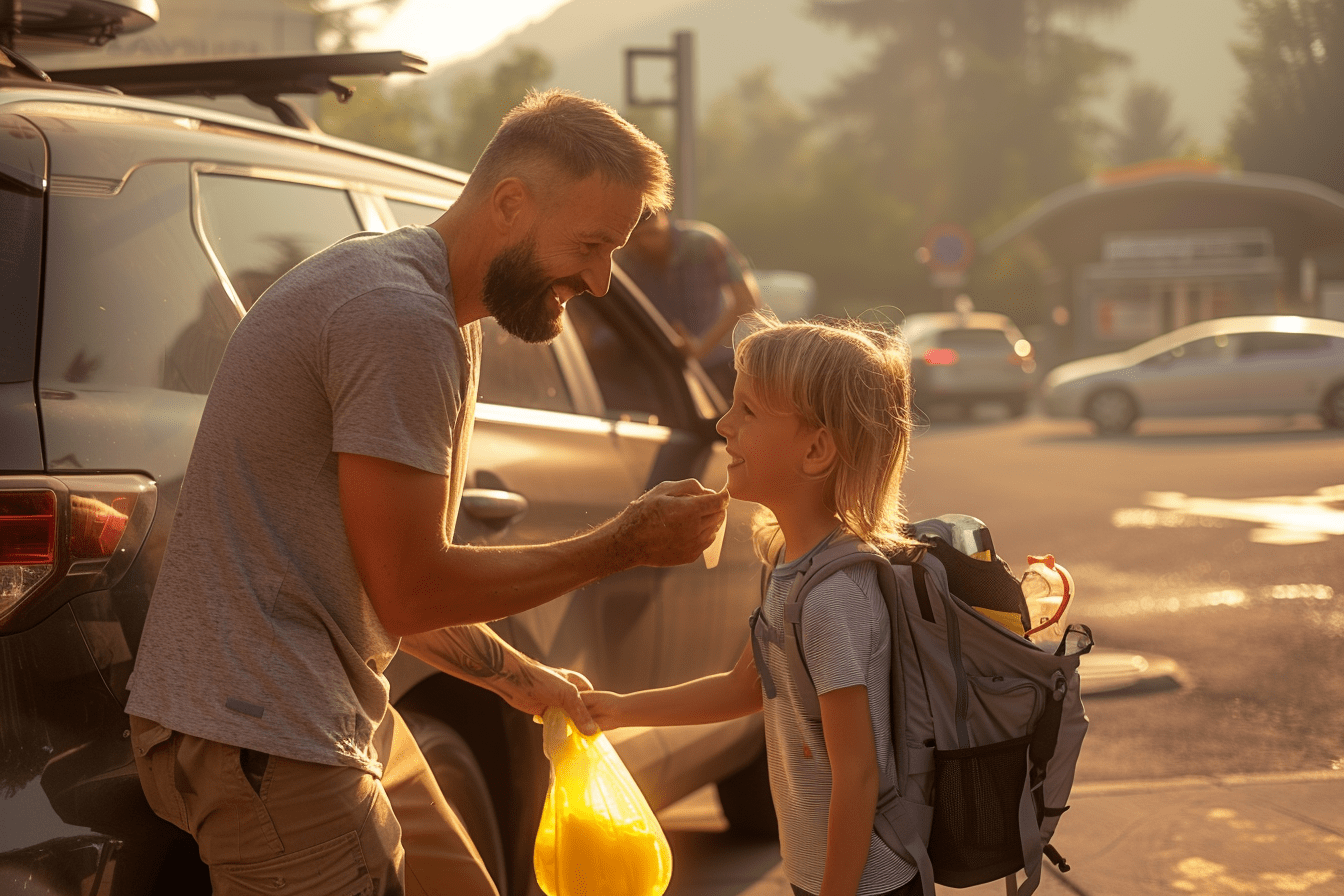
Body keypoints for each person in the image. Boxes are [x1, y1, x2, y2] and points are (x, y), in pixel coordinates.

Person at [123, 89, 728, 896]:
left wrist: (519, 678)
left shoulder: (436, 310)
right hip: (267, 733)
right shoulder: (399, 317)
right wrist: (625, 543)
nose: (602, 280)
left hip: (313, 711)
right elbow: (411, 591)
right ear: (510, 204)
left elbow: (384, 582)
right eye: (589, 245)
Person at [582, 314, 923, 896]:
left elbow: (858, 774)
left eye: (748, 411)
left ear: (815, 449)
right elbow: (745, 687)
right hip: (821, 873)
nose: (722, 424)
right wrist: (614, 710)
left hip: (864, 884)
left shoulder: (833, 595)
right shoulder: (792, 567)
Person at [615, 207, 760, 396]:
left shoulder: (705, 243)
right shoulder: (624, 258)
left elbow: (746, 302)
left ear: (666, 218)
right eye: (635, 238)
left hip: (718, 367)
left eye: (651, 233)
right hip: (657, 372)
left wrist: (701, 347)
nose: (644, 243)